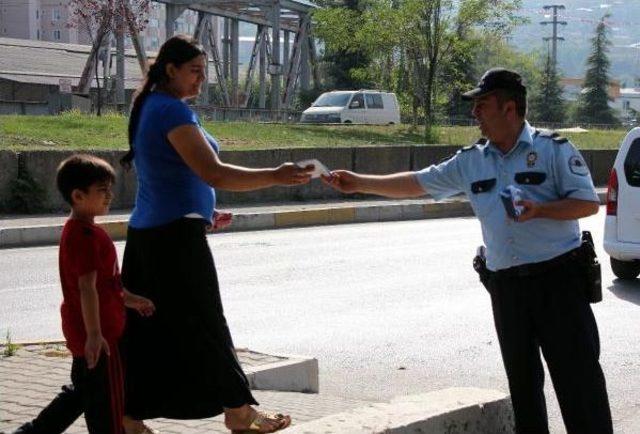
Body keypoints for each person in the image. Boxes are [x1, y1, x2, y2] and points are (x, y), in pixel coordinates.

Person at [323, 68, 613, 434]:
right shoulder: (471, 160)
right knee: (523, 388)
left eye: (482, 105)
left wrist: (541, 210)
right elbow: (419, 183)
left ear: (510, 108)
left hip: (559, 282)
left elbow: (587, 203)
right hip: (507, 288)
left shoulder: (552, 149)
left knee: (579, 384)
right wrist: (360, 182)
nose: (475, 113)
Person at [119, 35, 313, 434]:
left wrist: (204, 211)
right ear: (171, 69)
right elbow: (214, 172)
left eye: (204, 73)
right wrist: (275, 176)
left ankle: (128, 417)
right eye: (195, 71)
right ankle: (239, 413)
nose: (201, 81)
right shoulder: (169, 111)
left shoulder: (157, 106)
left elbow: (173, 176)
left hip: (158, 234)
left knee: (152, 329)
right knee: (205, 323)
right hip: (170, 239)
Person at [13, 154, 155, 434]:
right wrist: (94, 333)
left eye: (109, 189)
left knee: (81, 392)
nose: (109, 196)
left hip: (88, 334)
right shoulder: (86, 237)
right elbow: (87, 288)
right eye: (102, 191)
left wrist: (132, 300)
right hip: (102, 339)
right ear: (78, 195)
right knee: (106, 404)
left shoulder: (81, 232)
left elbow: (107, 285)